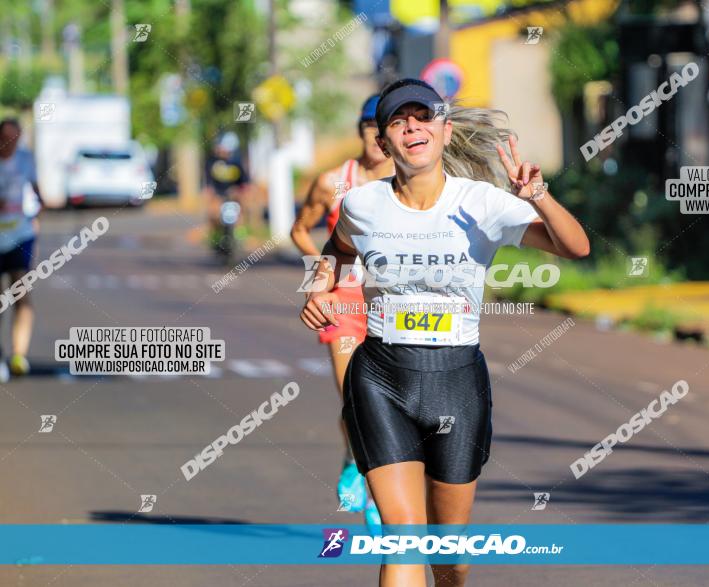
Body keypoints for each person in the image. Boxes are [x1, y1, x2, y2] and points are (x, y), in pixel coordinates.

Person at [299, 79, 590, 586]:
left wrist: (538, 195)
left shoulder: (482, 203)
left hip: (456, 380)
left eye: (423, 116)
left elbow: (575, 246)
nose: (412, 125)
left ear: (445, 131)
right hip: (380, 377)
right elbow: (336, 249)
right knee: (404, 536)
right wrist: (318, 291)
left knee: (447, 556)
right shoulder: (362, 204)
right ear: (385, 142)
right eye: (398, 120)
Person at [290, 95, 394, 529]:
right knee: (355, 397)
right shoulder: (334, 181)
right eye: (368, 125)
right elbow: (299, 230)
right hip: (342, 303)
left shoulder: (407, 180)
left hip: (391, 304)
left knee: (388, 404)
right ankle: (366, 476)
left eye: (382, 126)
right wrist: (322, 265)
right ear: (359, 130)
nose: (374, 133)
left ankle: (368, 467)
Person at [0, 117, 43, 381]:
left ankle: (19, 354)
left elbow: (39, 195)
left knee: (21, 292)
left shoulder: (26, 160)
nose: (11, 143)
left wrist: (37, 215)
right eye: (6, 138)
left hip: (21, 234)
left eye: (16, 138)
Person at [204, 131, 250, 245]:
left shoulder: (236, 163)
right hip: (218, 194)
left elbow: (244, 182)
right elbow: (208, 182)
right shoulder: (212, 161)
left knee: (241, 212)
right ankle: (215, 236)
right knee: (214, 212)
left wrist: (242, 192)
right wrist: (210, 192)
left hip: (233, 196)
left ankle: (240, 235)